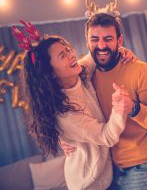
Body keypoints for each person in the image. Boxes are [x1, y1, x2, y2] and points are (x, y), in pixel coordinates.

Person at [12, 22, 137, 190]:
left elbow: (97, 55)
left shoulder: (80, 72)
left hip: (109, 174)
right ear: (50, 73)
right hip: (89, 184)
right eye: (62, 56)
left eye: (68, 49)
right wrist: (119, 107)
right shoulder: (65, 114)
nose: (71, 55)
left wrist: (121, 51)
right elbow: (107, 136)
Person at [62, 0, 147, 190]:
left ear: (119, 41)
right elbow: (75, 110)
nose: (101, 45)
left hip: (143, 169)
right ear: (87, 41)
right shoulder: (86, 75)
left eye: (108, 39)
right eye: (95, 39)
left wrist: (134, 108)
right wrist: (66, 138)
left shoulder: (142, 71)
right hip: (109, 172)